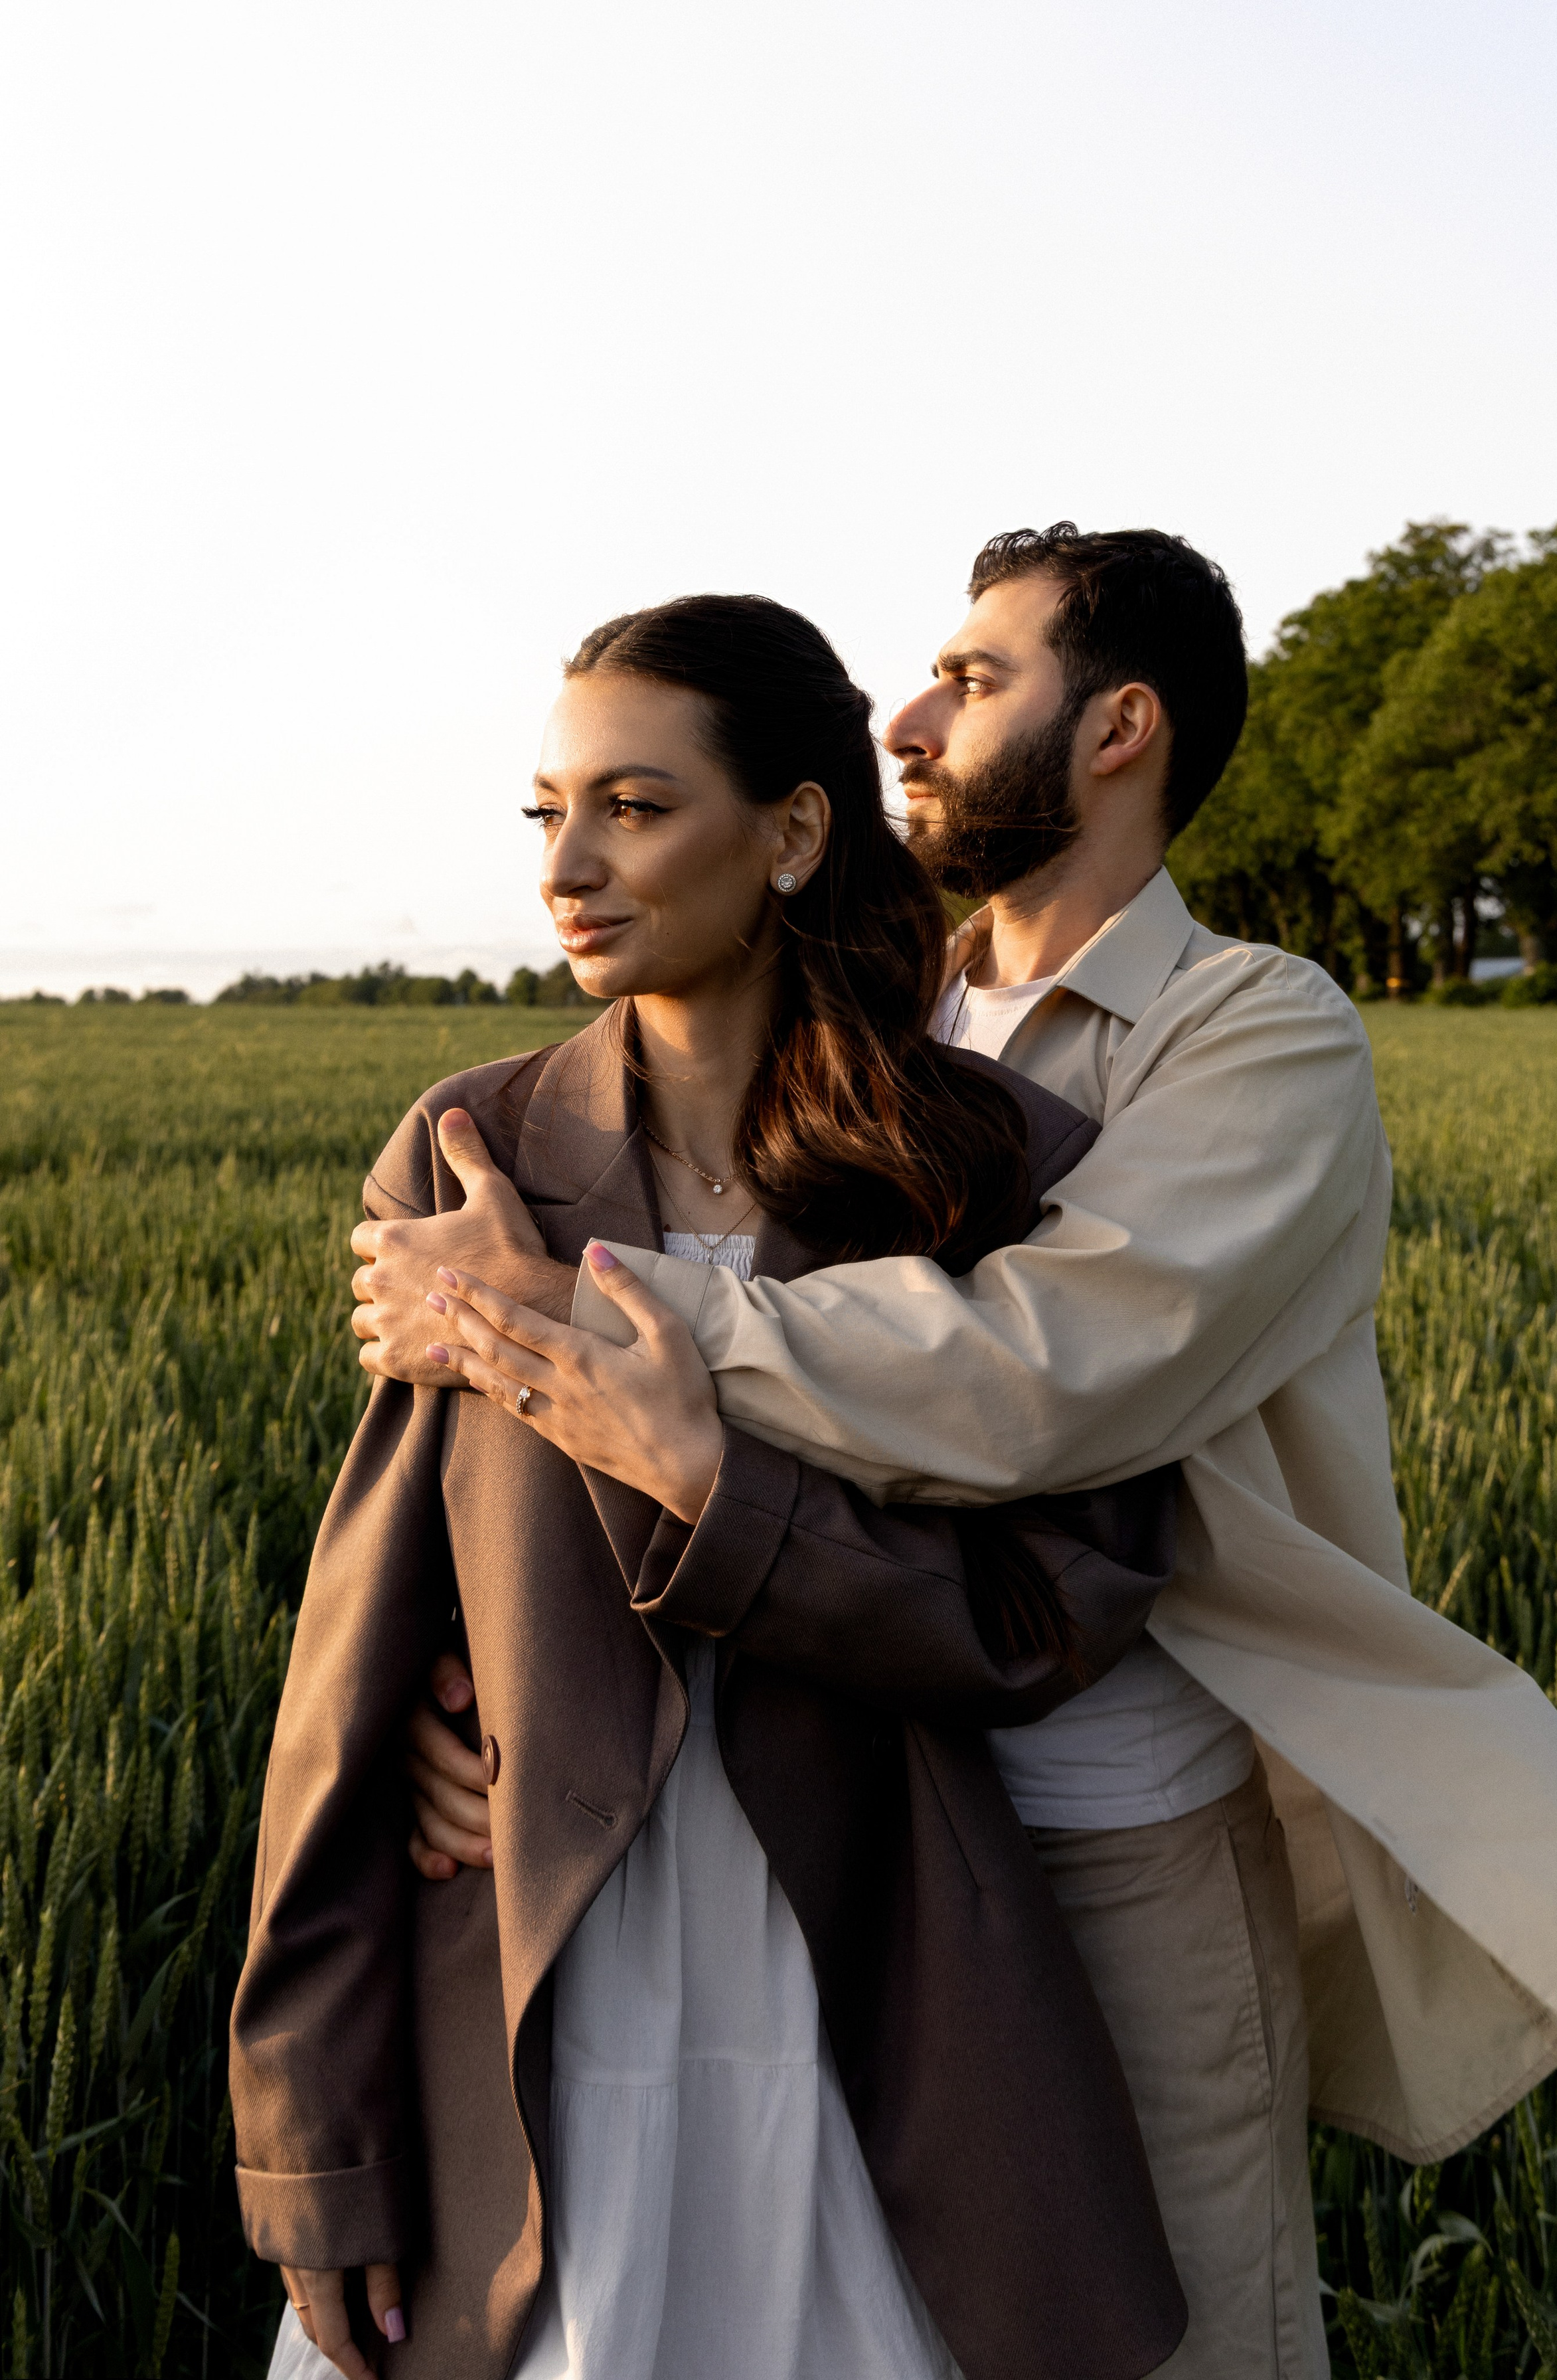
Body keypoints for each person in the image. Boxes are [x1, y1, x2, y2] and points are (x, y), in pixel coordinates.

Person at [374, 526, 1557, 2380]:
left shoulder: (1257, 1031)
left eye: (974, 680)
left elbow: (1049, 1373)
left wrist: (591, 1318)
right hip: (859, 1812)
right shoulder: (876, 1026)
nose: (907, 723)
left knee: (1181, 2337)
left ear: (1119, 728)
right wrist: (488, 1711)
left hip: (1112, 1821)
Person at [229, 594, 1191, 2380]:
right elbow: (351, 1670)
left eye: (637, 807)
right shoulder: (471, 1156)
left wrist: (720, 1502)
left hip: (872, 1986)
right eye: (549, 811)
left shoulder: (984, 1169)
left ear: (794, 829)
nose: (568, 868)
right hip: (520, 1980)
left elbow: (1048, 1617)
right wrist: (311, 2145)